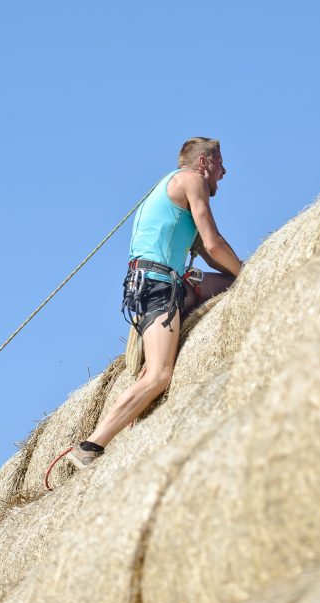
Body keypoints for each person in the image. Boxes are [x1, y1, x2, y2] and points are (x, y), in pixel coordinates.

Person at [67, 137, 243, 468]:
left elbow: (208, 254)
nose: (224, 170)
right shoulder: (192, 181)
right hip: (156, 286)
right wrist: (251, 274)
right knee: (160, 375)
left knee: (225, 283)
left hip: (164, 282)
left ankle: (160, 341)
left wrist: (242, 278)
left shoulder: (171, 188)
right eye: (219, 163)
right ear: (203, 162)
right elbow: (214, 243)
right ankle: (90, 446)